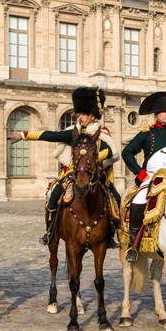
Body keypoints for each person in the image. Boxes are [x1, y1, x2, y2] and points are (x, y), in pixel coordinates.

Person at [9, 87, 120, 246]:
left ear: (92, 116)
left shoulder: (101, 134)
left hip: (95, 174)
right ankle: (49, 231)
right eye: (79, 114)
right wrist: (23, 136)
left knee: (115, 197)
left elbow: (110, 151)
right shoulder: (72, 133)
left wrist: (93, 159)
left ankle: (112, 234)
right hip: (73, 173)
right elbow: (50, 135)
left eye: (83, 114)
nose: (80, 117)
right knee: (54, 195)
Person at [120, 91, 166, 262]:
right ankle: (133, 244)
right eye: (164, 111)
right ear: (156, 114)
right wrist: (140, 172)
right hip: (152, 177)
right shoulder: (146, 133)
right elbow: (127, 152)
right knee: (137, 202)